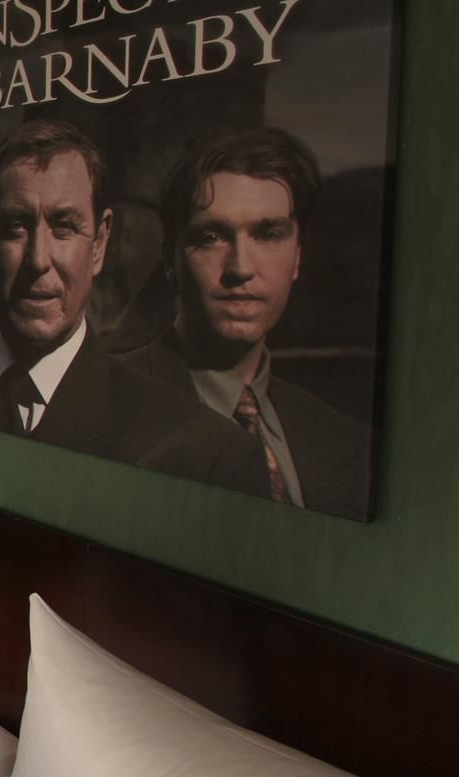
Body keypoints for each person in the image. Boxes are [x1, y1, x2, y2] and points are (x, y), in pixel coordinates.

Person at [0, 120, 271, 495]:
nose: (38, 259)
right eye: (15, 226)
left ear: (99, 243)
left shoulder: (207, 455)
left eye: (64, 227)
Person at [119, 126, 371, 519]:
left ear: (297, 257)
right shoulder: (106, 404)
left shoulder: (344, 441)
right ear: (170, 261)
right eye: (212, 236)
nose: (240, 268)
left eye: (268, 234)